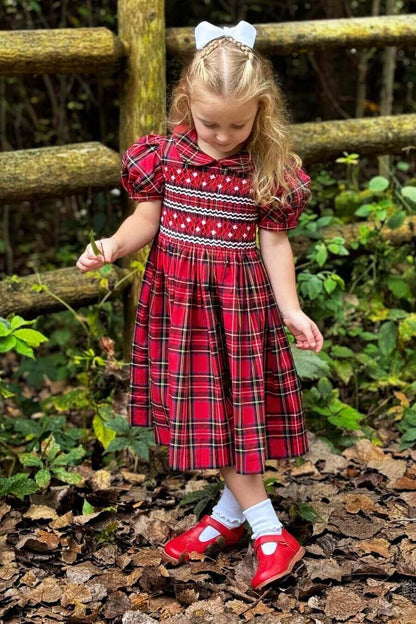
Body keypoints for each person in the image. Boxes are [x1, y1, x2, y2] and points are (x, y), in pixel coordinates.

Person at [76, 19, 324, 591]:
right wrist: (112, 246)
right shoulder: (162, 156)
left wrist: (289, 308)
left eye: (239, 124)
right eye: (210, 122)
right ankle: (231, 521)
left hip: (239, 312)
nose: (221, 135)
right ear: (187, 103)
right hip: (180, 310)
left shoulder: (267, 169)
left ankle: (265, 531)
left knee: (232, 416)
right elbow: (146, 219)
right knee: (213, 417)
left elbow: (276, 243)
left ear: (262, 112)